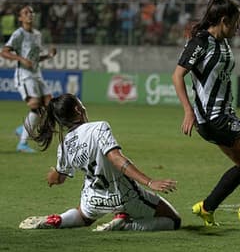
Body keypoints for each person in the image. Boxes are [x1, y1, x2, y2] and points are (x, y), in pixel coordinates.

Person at [172, 0, 240, 227]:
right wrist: (188, 111)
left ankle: (207, 208)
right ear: (223, 21)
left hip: (221, 115)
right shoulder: (201, 42)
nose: (238, 27)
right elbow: (177, 75)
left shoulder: (222, 42)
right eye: (236, 22)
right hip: (212, 117)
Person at [18, 93, 181, 231]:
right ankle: (126, 225)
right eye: (81, 105)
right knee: (173, 220)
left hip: (93, 198)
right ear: (77, 109)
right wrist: (150, 181)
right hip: (123, 196)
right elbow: (116, 159)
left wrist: (51, 176)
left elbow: (58, 179)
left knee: (83, 216)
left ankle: (59, 220)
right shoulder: (98, 128)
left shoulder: (65, 144)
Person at [0, 5, 57, 153]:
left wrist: (49, 56)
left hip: (37, 74)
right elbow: (4, 52)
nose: (30, 14)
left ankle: (23, 128)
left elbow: (35, 57)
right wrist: (20, 58)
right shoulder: (19, 34)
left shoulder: (37, 34)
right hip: (24, 75)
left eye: (31, 12)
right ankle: (22, 144)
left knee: (50, 105)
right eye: (26, 13)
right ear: (20, 18)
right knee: (36, 107)